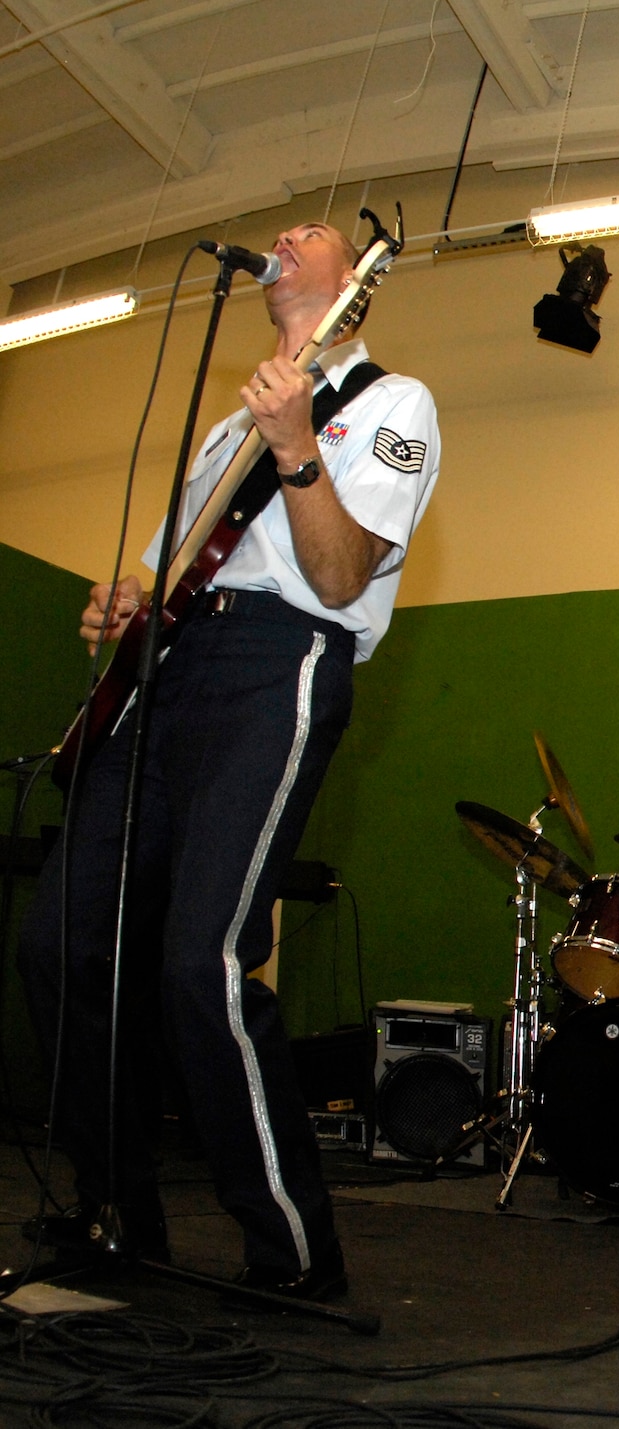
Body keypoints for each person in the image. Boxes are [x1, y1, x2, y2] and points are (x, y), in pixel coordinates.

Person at [18, 219, 442, 1297]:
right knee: (62, 944)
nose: (282, 239)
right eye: (281, 230)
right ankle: (118, 1213)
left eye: (310, 236)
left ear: (353, 284)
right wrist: (125, 600)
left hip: (278, 660)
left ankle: (292, 1249)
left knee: (198, 960)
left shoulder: (393, 404)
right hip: (170, 673)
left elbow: (342, 575)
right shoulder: (222, 431)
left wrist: (299, 446)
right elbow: (168, 576)